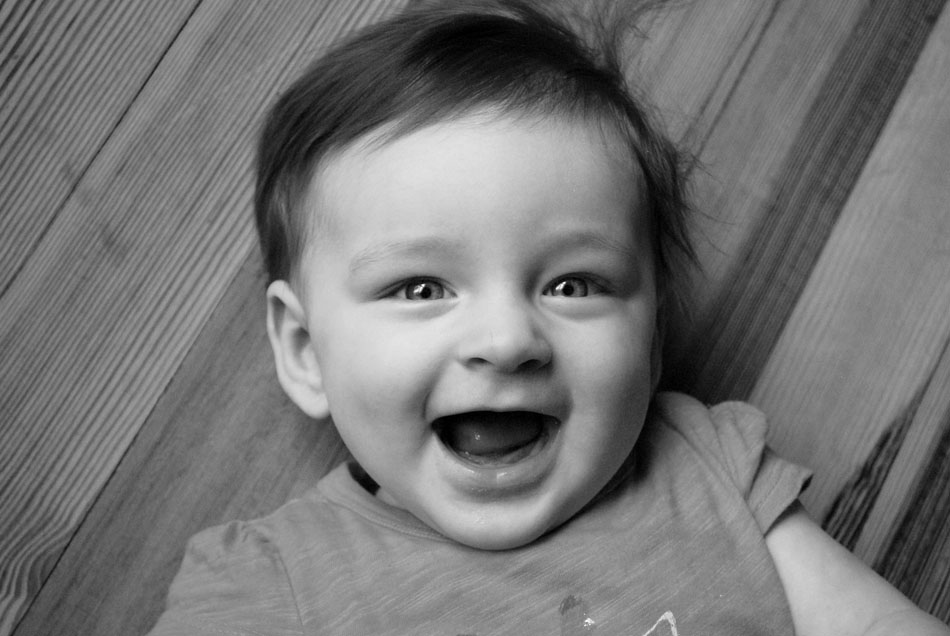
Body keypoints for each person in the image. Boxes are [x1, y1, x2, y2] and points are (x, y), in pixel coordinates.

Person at [148, 1, 950, 634]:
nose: (508, 341)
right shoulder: (264, 583)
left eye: (573, 285)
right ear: (303, 350)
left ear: (651, 337)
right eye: (421, 289)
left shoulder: (706, 466)